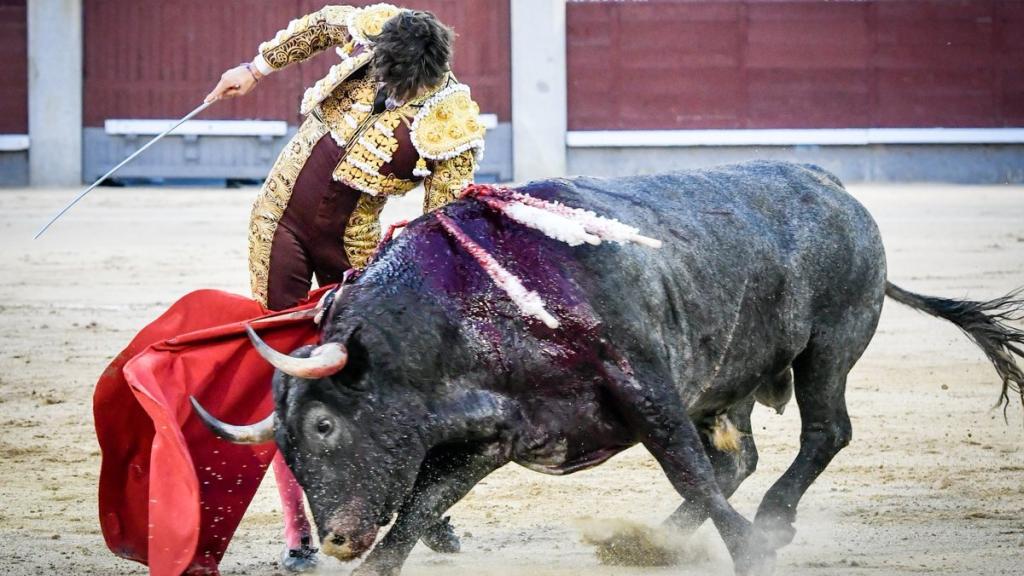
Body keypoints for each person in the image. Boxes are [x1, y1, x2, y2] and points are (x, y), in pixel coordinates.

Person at [205, 3, 484, 571]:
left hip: (353, 250)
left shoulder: (448, 117)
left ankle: (417, 499)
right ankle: (297, 532)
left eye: (398, 82)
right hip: (278, 222)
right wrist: (255, 69)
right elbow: (318, 28)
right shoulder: (374, 30)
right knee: (286, 371)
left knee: (373, 377)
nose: (384, 85)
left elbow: (441, 224)